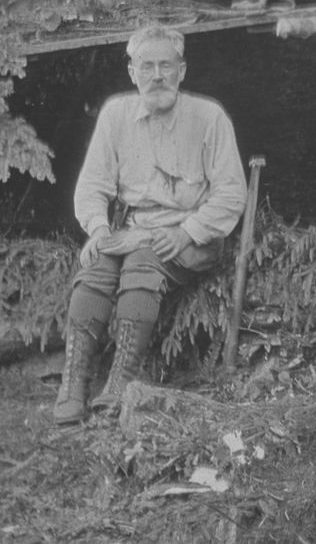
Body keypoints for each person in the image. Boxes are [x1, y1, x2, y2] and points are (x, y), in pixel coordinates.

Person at [53, 25, 247, 425]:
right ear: (132, 72)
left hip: (192, 233)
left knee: (143, 262)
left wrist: (186, 232)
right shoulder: (116, 115)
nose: (157, 75)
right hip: (133, 229)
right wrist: (98, 229)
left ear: (182, 70)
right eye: (147, 66)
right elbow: (91, 185)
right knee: (96, 268)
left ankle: (121, 383)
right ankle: (73, 385)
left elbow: (231, 195)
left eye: (166, 66)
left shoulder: (208, 118)